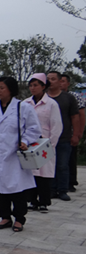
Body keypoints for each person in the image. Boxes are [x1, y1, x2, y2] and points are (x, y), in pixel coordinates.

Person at [0, 76, 41, 232]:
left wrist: (26, 141)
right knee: (0, 188)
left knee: (18, 188)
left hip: (15, 154)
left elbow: (34, 128)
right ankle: (5, 217)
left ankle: (19, 219)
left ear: (11, 89)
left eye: (2, 88)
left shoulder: (24, 107)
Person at [23, 73, 62, 213]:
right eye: (30, 85)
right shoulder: (25, 103)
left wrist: (50, 144)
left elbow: (56, 126)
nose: (32, 88)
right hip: (29, 142)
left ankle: (44, 202)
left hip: (45, 143)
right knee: (31, 173)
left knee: (44, 174)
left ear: (43, 86)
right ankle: (32, 200)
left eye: (35, 85)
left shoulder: (51, 104)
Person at [46, 71, 80, 201]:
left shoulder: (68, 98)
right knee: (49, 165)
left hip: (64, 137)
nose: (50, 81)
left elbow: (75, 117)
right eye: (48, 79)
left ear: (60, 81)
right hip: (46, 139)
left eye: (53, 79)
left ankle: (63, 190)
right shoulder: (43, 97)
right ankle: (51, 190)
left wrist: (76, 134)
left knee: (62, 165)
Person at [60, 74, 86, 192]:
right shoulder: (50, 97)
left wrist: (79, 132)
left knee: (70, 159)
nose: (60, 83)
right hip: (55, 133)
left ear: (68, 83)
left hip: (69, 132)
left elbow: (81, 115)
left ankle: (71, 182)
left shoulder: (75, 97)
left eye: (63, 81)